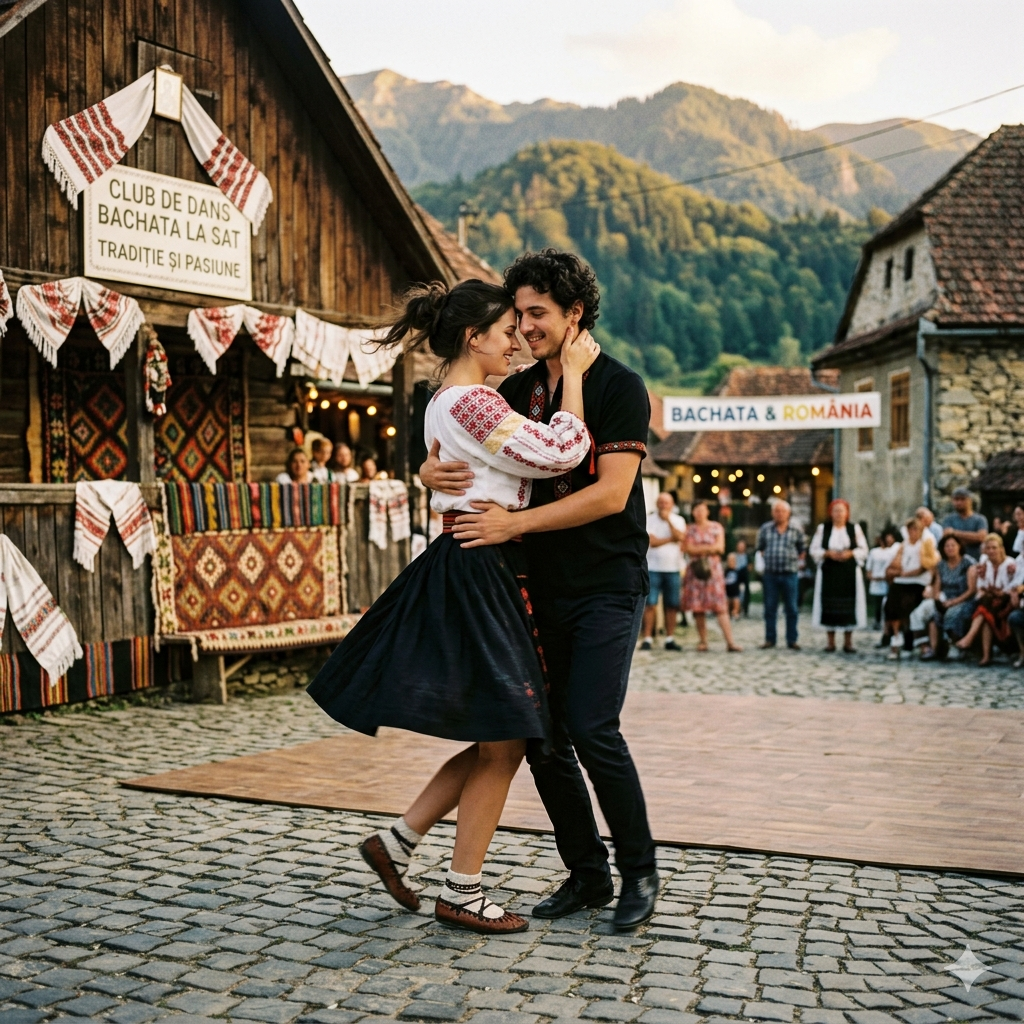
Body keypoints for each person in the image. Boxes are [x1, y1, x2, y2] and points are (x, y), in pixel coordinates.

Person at [306, 278, 598, 934]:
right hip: (479, 566)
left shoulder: (457, 402)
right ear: (475, 337)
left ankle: (402, 841)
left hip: (474, 563)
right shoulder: (471, 402)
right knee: (510, 731)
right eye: (505, 333)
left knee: (503, 733)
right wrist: (574, 374)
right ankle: (460, 888)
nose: (517, 343)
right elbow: (561, 453)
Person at [421, 250, 659, 931]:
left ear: (574, 314)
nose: (523, 327)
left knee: (591, 728)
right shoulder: (519, 388)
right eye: (517, 314)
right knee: (543, 739)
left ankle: (639, 871)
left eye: (537, 314)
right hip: (534, 584)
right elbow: (467, 447)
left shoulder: (619, 385)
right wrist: (424, 474)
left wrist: (514, 523)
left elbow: (611, 496)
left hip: (607, 582)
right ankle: (587, 875)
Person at [809, 499, 869, 653]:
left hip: (848, 572)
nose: (839, 514)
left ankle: (848, 642)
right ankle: (831, 642)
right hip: (830, 571)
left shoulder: (853, 529)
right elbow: (814, 549)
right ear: (831, 513)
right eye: (835, 511)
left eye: (841, 511)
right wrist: (827, 553)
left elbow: (864, 549)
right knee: (829, 604)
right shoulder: (824, 529)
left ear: (846, 513)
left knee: (849, 604)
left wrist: (850, 553)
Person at [682, 501, 741, 652]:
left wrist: (699, 548)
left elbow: (720, 547)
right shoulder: (690, 529)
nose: (699, 513)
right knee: (698, 607)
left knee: (720, 606)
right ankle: (703, 641)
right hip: (696, 571)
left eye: (702, 510)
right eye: (696, 510)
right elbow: (687, 548)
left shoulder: (716, 527)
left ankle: (730, 641)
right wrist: (709, 548)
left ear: (707, 511)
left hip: (713, 571)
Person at [956, 533, 1021, 666]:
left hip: (1006, 602)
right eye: (989, 548)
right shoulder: (985, 565)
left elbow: (1014, 586)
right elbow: (981, 587)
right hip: (991, 602)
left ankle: (970, 638)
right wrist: (991, 590)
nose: (991, 551)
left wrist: (999, 591)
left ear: (1001, 549)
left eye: (994, 548)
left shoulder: (1010, 564)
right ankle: (985, 656)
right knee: (985, 611)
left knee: (985, 607)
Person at [884, 515, 939, 660]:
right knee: (891, 603)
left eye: (915, 529)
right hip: (902, 581)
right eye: (910, 529)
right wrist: (898, 573)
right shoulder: (904, 545)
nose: (912, 532)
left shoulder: (925, 544)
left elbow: (925, 566)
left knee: (907, 605)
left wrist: (905, 573)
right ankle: (896, 636)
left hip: (918, 582)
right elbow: (895, 564)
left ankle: (909, 642)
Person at [755, 499, 806, 650]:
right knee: (770, 608)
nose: (780, 514)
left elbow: (802, 550)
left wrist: (794, 561)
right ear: (772, 513)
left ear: (788, 513)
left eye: (783, 511)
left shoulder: (796, 529)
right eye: (777, 511)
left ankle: (792, 639)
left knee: (791, 608)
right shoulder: (765, 529)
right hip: (770, 574)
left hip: (789, 573)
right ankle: (770, 639)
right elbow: (760, 548)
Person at [919, 534, 977, 660]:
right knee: (934, 615)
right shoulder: (941, 565)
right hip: (946, 598)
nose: (950, 548)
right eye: (947, 546)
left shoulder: (968, 563)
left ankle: (954, 645)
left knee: (952, 613)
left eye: (953, 545)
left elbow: (972, 590)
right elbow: (937, 586)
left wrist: (954, 601)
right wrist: (937, 599)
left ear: (959, 546)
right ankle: (934, 649)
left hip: (964, 598)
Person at [640, 492, 686, 651]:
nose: (663, 505)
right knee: (650, 604)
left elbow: (680, 536)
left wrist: (668, 522)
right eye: (661, 502)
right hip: (653, 567)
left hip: (673, 568)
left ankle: (670, 638)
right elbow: (651, 542)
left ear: (672, 504)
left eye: (666, 502)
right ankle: (648, 638)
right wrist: (670, 539)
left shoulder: (679, 520)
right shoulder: (649, 519)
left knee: (672, 604)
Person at [941, 488, 988, 561]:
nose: (959, 502)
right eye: (956, 499)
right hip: (955, 562)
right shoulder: (949, 519)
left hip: (975, 559)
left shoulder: (980, 519)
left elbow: (981, 537)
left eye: (963, 499)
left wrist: (954, 533)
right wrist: (971, 537)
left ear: (970, 501)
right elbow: (947, 536)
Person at [865, 529, 898, 630]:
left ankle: (888, 623)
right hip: (876, 581)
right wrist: (871, 576)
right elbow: (869, 567)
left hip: (887, 581)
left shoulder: (891, 552)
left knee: (888, 603)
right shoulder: (874, 552)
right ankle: (877, 621)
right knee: (878, 603)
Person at [734, 539, 750, 617]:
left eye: (742, 546)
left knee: (744, 593)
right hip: (736, 576)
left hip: (744, 577)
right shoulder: (734, 556)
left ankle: (745, 609)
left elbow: (750, 567)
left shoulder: (747, 556)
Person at [724, 552, 741, 620]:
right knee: (726, 601)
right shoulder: (726, 571)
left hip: (735, 592)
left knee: (736, 601)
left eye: (732, 560)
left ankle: (735, 612)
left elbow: (741, 581)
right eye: (729, 560)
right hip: (727, 592)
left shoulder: (738, 571)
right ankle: (727, 613)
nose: (731, 562)